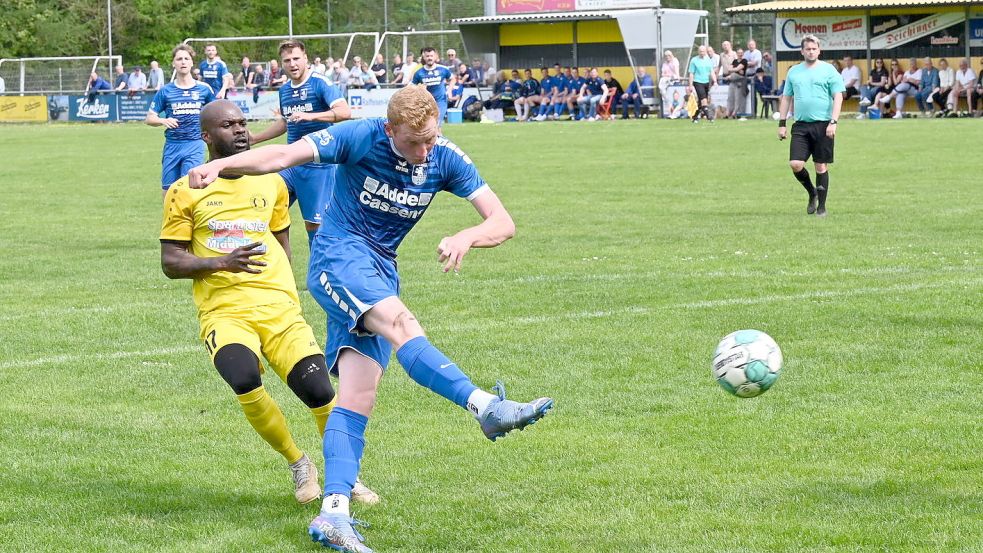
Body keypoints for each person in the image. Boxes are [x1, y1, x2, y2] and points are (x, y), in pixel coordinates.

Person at [186, 84, 553, 553]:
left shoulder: (445, 157)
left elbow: (502, 221)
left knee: (358, 395)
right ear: (389, 129)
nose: (423, 152)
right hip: (338, 257)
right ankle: (486, 407)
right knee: (403, 326)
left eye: (430, 140)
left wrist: (469, 235)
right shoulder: (359, 136)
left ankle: (333, 514)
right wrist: (221, 164)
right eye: (412, 142)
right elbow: (282, 156)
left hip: (382, 268)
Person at [158, 99, 336, 508]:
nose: (239, 130)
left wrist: (284, 284)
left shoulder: (272, 182)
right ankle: (298, 461)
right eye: (227, 125)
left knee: (319, 390)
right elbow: (170, 262)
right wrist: (222, 262)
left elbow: (281, 241)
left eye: (242, 122)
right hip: (224, 311)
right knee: (242, 377)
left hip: (278, 308)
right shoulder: (186, 190)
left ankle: (346, 475)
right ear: (206, 135)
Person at [249, 40, 352, 245]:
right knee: (266, 209)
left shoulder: (320, 83)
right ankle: (278, 265)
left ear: (305, 58)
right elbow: (286, 122)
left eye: (296, 58)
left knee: (313, 224)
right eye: (287, 60)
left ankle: (320, 267)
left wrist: (311, 116)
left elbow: (345, 112)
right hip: (290, 164)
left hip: (318, 165)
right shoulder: (284, 90)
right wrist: (255, 138)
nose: (292, 63)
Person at [777, 34, 843, 218]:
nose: (811, 51)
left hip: (823, 125)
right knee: (795, 164)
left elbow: (838, 96)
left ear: (819, 50)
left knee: (820, 166)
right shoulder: (794, 72)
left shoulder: (829, 70)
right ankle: (812, 192)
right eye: (808, 49)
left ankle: (821, 207)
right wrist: (782, 123)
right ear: (802, 51)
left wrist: (833, 121)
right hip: (801, 125)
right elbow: (786, 98)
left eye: (814, 49)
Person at [146, 44, 215, 199]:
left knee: (189, 189)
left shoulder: (204, 89)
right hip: (172, 146)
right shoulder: (165, 91)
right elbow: (149, 118)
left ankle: (191, 222)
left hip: (194, 144)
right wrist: (163, 120)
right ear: (173, 63)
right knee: (168, 193)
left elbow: (216, 113)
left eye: (186, 58)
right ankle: (171, 223)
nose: (183, 62)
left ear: (191, 63)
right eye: (179, 59)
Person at [412, 46, 453, 124]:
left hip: (441, 101)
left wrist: (449, 90)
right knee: (429, 126)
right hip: (426, 103)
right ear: (424, 57)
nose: (429, 58)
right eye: (427, 56)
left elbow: (453, 79)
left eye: (431, 56)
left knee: (436, 124)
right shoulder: (419, 73)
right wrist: (420, 89)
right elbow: (412, 87)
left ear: (435, 57)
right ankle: (438, 135)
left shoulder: (443, 69)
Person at [688, 45, 717, 122]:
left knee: (702, 102)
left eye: (703, 51)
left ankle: (695, 117)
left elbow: (711, 72)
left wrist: (715, 81)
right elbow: (691, 73)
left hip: (706, 82)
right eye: (700, 51)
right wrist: (690, 85)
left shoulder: (708, 60)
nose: (702, 53)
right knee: (704, 100)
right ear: (698, 52)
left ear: (706, 52)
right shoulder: (694, 60)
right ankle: (709, 117)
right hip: (697, 82)